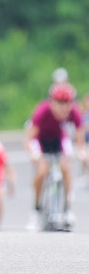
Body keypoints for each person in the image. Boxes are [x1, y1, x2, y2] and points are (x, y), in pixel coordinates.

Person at [24, 81, 86, 230]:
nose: (63, 106)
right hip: (40, 140)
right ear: (51, 101)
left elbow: (79, 134)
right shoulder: (42, 111)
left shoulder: (75, 112)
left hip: (60, 139)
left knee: (65, 168)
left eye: (67, 102)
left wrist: (81, 151)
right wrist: (34, 154)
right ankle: (36, 210)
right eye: (59, 102)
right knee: (42, 171)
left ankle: (67, 209)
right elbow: (28, 138)